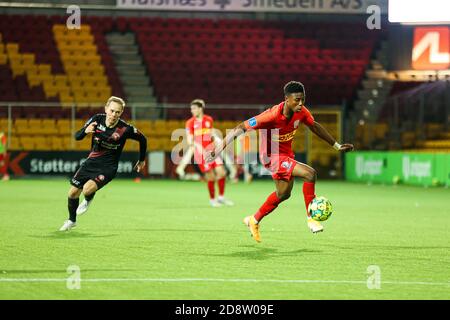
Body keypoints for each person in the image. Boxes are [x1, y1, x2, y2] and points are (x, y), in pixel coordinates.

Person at [207, 81, 354, 242]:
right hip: (272, 157)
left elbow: (315, 126)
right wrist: (219, 148)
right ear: (286, 99)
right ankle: (312, 218)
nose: (300, 103)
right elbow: (240, 127)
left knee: (283, 194)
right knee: (310, 174)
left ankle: (253, 220)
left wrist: (337, 146)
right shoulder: (271, 116)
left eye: (303, 99)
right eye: (297, 100)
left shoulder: (302, 112)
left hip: (286, 155)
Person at [59, 96, 147, 231]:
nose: (114, 114)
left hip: (108, 167)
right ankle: (72, 221)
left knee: (87, 189)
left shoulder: (125, 129)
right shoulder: (97, 119)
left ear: (121, 112)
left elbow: (143, 139)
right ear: (106, 109)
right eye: (112, 111)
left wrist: (141, 160)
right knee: (72, 193)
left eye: (117, 112)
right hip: (91, 162)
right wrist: (85, 131)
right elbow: (77, 137)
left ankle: (88, 199)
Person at [185, 99, 233, 207]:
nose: (192, 111)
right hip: (200, 154)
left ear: (200, 109)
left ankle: (221, 198)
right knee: (210, 176)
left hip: (212, 151)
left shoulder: (208, 120)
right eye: (191, 109)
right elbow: (189, 140)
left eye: (194, 108)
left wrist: (217, 139)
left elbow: (210, 133)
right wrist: (198, 146)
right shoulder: (190, 123)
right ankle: (212, 200)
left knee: (221, 172)